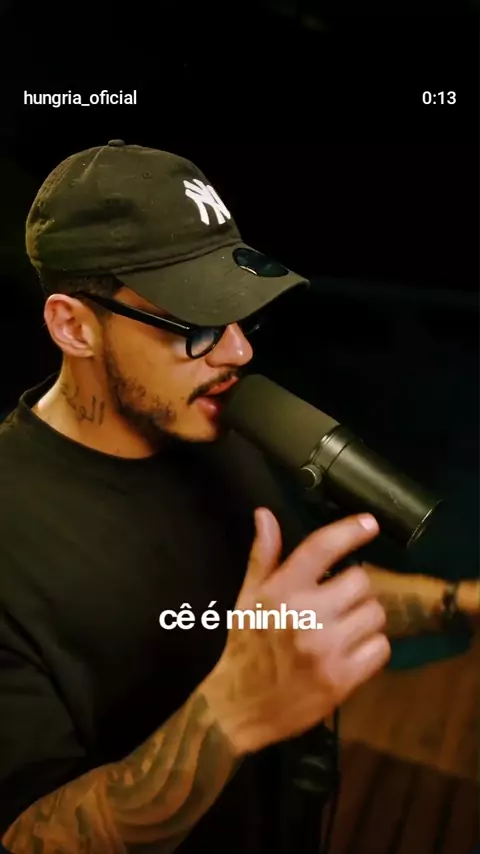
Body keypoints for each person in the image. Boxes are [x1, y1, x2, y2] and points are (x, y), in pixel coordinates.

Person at [0, 141, 477, 854]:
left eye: (238, 317)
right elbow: (26, 839)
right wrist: (233, 714)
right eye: (196, 327)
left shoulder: (210, 421)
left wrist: (460, 603)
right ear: (74, 325)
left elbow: (292, 602)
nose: (239, 353)